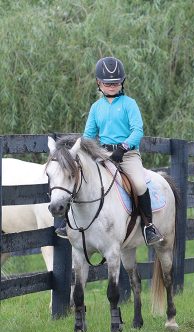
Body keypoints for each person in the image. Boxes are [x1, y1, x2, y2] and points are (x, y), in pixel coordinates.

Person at [55, 56, 163, 245]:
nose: (112, 86)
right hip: (102, 154)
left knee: (139, 184)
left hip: (127, 155)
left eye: (116, 82)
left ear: (122, 82)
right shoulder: (96, 108)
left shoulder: (130, 104)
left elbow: (137, 131)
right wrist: (79, 150)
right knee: (81, 180)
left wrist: (124, 147)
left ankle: (148, 226)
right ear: (99, 83)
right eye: (107, 83)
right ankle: (68, 223)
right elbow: (88, 135)